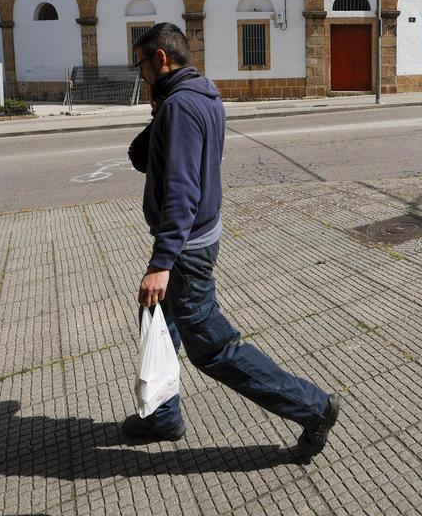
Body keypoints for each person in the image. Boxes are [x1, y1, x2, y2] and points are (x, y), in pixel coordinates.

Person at [123, 23, 341, 461]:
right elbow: (140, 157)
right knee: (158, 323)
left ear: (160, 60)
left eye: (141, 65)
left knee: (215, 349)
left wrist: (162, 262)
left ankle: (313, 407)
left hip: (184, 251)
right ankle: (161, 416)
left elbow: (182, 190)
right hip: (196, 238)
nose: (140, 74)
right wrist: (157, 110)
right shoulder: (199, 93)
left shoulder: (181, 108)